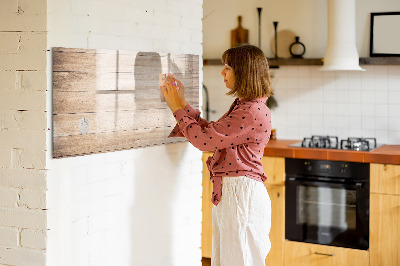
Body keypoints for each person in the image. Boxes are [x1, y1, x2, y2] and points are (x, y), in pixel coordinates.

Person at [160, 44, 273, 266]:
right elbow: (212, 133)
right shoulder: (246, 106)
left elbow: (204, 141)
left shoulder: (250, 111)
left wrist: (176, 108)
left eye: (228, 67)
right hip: (235, 193)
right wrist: (182, 103)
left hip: (241, 195)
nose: (222, 72)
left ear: (244, 71)